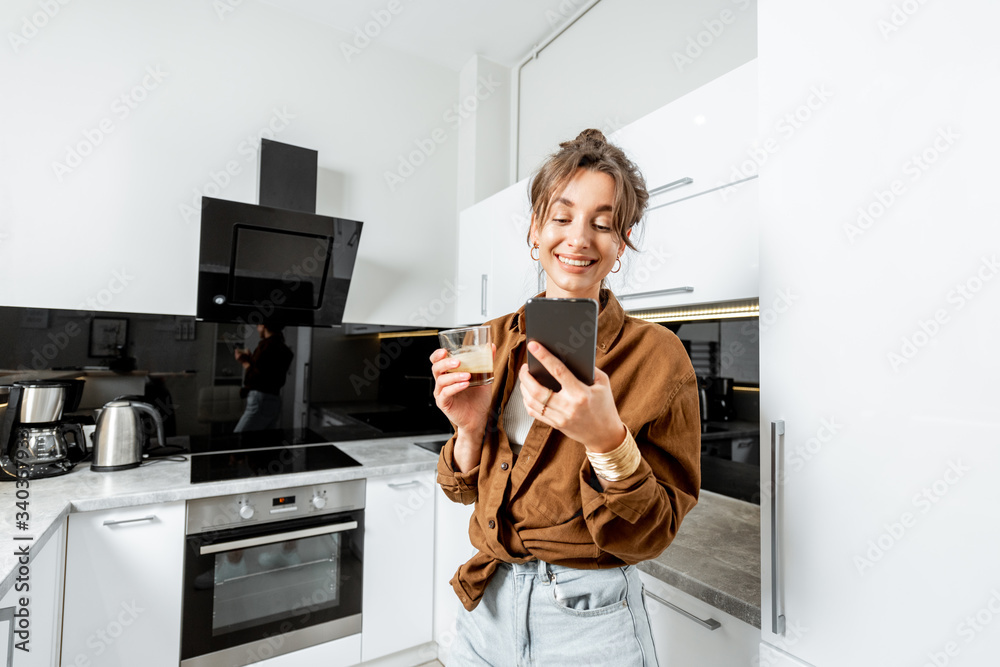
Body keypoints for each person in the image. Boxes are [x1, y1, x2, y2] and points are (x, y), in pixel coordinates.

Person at [431, 129, 701, 665]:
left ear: (620, 243)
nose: (579, 238)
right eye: (561, 216)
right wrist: (466, 430)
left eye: (602, 224)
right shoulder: (487, 338)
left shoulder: (660, 356)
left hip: (590, 622)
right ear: (535, 229)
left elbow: (652, 533)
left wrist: (608, 441)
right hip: (485, 607)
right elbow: (461, 491)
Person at [233, 318, 294, 432]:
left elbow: (256, 378)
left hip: (261, 400)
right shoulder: (283, 348)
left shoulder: (265, 347)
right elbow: (268, 373)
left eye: (258, 325)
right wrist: (252, 360)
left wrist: (245, 362)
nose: (257, 328)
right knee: (262, 442)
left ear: (263, 325)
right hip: (274, 400)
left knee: (239, 440)